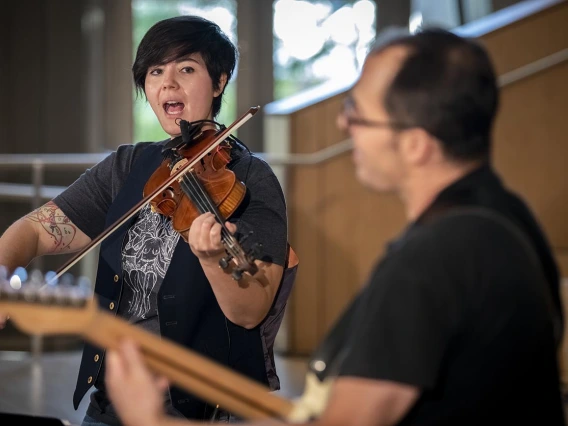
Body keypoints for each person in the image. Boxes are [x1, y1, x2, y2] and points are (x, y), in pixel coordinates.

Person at [103, 27, 566, 426]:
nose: (344, 125)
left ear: (418, 145)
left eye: (359, 113)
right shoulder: (504, 216)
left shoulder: (435, 258)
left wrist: (152, 420)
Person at [0, 15, 297, 426]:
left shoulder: (250, 179)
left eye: (186, 69)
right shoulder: (129, 165)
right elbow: (34, 229)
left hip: (203, 410)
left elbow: (250, 312)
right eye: (156, 72)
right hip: (113, 400)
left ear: (219, 82)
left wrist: (213, 259)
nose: (168, 83)